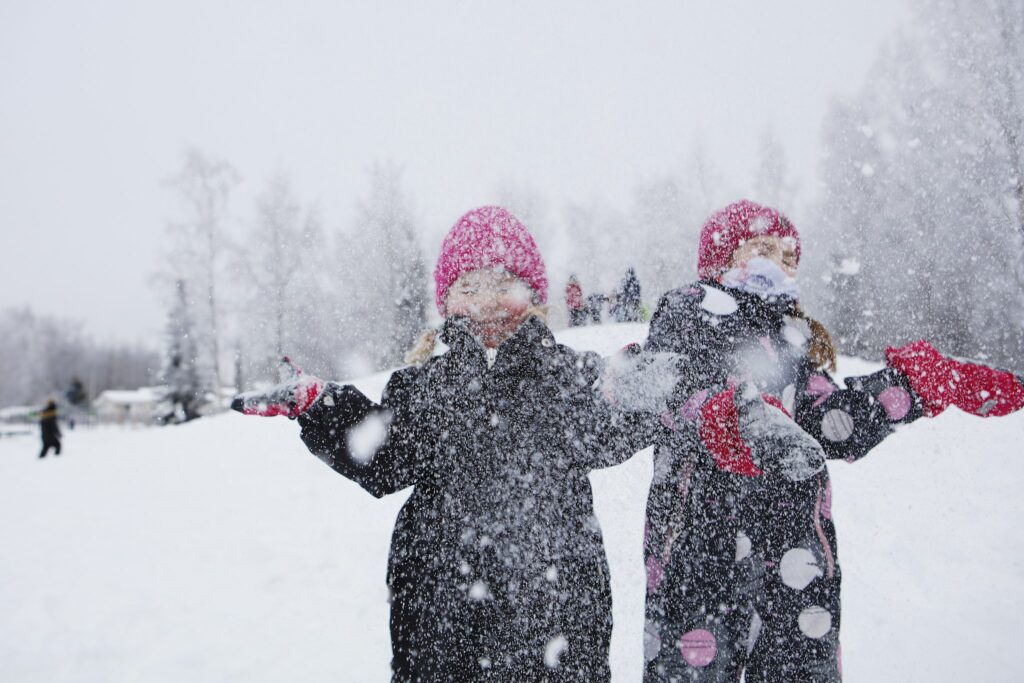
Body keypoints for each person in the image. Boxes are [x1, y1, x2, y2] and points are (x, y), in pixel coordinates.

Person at [232, 206, 667, 681]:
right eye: (469, 287)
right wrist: (323, 407)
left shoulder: (564, 378)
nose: (486, 301)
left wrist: (643, 385)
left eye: (503, 284)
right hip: (442, 621)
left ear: (534, 295)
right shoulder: (426, 388)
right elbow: (383, 455)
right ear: (446, 300)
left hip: (554, 621)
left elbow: (614, 417)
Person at [639, 199, 1024, 681]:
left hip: (792, 551)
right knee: (693, 666)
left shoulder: (791, 338)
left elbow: (829, 423)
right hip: (702, 546)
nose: (776, 262)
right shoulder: (688, 312)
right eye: (761, 248)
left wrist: (912, 387)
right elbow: (665, 394)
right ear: (721, 257)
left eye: (786, 255)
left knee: (798, 667)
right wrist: (722, 417)